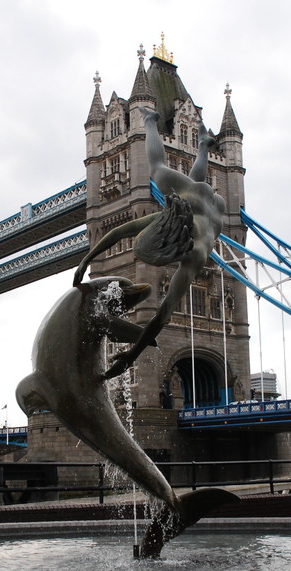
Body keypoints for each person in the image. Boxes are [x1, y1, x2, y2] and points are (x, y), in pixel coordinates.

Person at [73, 107, 227, 378]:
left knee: (159, 170)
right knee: (170, 175)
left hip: (214, 209)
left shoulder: (196, 253)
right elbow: (121, 232)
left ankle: (154, 122)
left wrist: (131, 355)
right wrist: (86, 260)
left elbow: (159, 315)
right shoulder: (174, 219)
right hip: (203, 201)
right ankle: (168, 129)